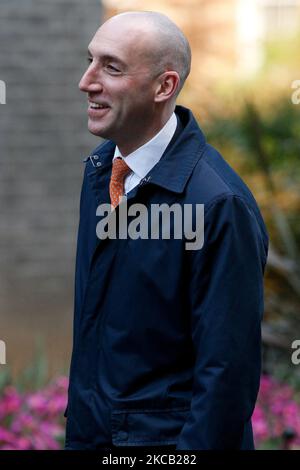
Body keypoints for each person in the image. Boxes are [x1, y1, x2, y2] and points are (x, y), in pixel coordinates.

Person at [64, 11, 269, 450]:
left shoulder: (219, 205)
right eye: (90, 60)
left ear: (164, 87)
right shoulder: (101, 171)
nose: (87, 81)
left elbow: (225, 380)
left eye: (111, 67)